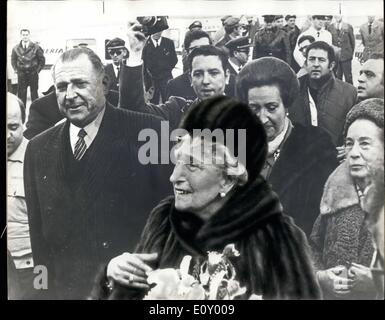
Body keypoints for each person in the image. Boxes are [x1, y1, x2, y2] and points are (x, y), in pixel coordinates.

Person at [92, 96, 321, 300]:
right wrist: (112, 275)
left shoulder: (278, 241)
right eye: (177, 161)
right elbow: (130, 292)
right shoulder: (165, 221)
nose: (174, 176)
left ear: (228, 179)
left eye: (192, 164)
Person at [24, 47, 171, 299]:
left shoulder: (150, 132)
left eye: (80, 83)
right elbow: (39, 240)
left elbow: (170, 222)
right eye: (61, 87)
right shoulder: (37, 148)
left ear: (104, 83)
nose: (70, 95)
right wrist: (42, 292)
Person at [236, 57, 337, 237]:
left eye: (271, 107)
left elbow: (322, 220)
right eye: (254, 109)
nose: (262, 118)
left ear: (286, 106)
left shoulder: (316, 147)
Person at [310, 98, 383, 299]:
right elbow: (313, 247)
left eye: (365, 144)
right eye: (349, 144)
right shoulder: (336, 193)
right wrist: (321, 277)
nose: (354, 153)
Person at [120, 30, 234, 131]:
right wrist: (135, 54)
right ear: (190, 78)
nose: (205, 81)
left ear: (227, 76)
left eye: (213, 73)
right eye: (198, 74)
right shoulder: (177, 110)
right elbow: (133, 111)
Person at [290, 41, 357, 146]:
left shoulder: (349, 93)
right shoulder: (293, 90)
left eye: (321, 60)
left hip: (334, 158)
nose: (316, 64)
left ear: (331, 65)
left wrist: (347, 147)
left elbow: (356, 130)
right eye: (312, 59)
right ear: (306, 64)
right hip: (300, 157)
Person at [7, 93, 35, 299]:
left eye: (13, 127)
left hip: (28, 268)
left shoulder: (38, 158)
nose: (7, 135)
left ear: (24, 123)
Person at [166, 29, 211, 101]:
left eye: (206, 48)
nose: (202, 52)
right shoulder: (175, 85)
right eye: (195, 49)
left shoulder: (227, 81)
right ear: (187, 52)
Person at [11, 29, 46, 107]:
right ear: (21, 36)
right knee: (21, 94)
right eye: (23, 35)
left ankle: (36, 111)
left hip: (33, 73)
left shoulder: (36, 47)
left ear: (29, 36)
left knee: (34, 93)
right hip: (21, 74)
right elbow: (13, 60)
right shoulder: (15, 48)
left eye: (26, 35)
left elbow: (42, 60)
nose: (25, 36)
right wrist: (17, 70)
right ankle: (22, 112)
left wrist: (37, 70)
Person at [142, 30, 178, 104]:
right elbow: (143, 64)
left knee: (168, 100)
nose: (156, 32)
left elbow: (174, 60)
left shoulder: (168, 42)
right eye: (154, 30)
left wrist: (166, 70)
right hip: (151, 79)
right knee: (153, 102)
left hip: (166, 78)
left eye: (158, 30)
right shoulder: (144, 44)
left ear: (161, 31)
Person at [327, 15, 355, 84]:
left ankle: (350, 93)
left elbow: (352, 42)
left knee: (348, 77)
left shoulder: (348, 26)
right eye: (336, 15)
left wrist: (350, 54)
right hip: (336, 57)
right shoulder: (330, 27)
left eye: (339, 15)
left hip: (346, 56)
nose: (337, 17)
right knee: (337, 77)